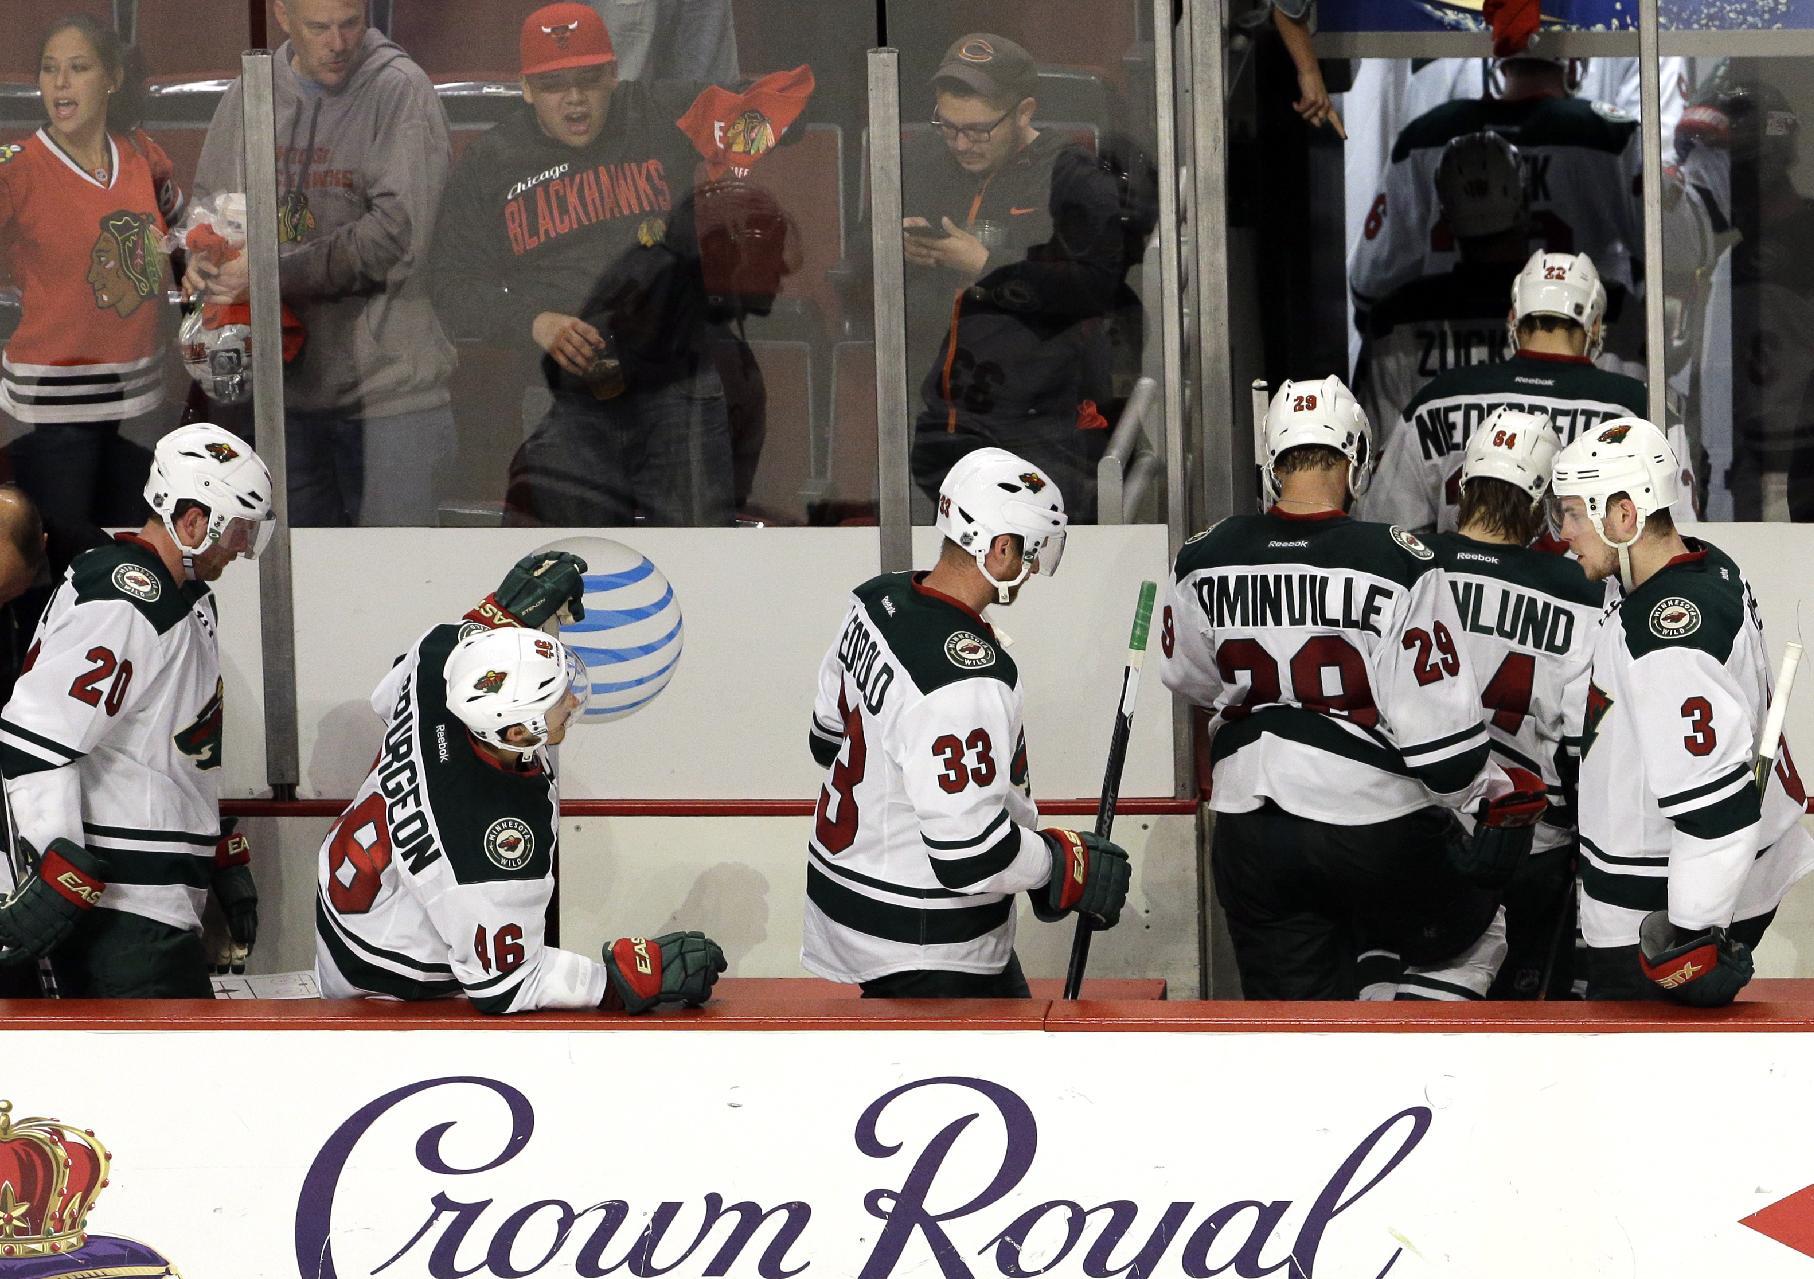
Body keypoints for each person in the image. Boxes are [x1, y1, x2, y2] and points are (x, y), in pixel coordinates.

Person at [1157, 376, 1547, 1001]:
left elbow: (1190, 678)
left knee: (1293, 1032)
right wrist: (1489, 801)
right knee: (1474, 927)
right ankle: (1412, 1065)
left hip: (1249, 833)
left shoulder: (1203, 555)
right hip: (1372, 830)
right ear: (1356, 460)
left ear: (1272, 460)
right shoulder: (1399, 557)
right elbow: (1445, 757)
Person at [428, 2, 813, 527]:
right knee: (575, 572)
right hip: (563, 398)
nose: (575, 100)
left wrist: (760, 123)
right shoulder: (490, 162)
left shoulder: (656, 110)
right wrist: (534, 321)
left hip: (678, 385)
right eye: (555, 85)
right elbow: (453, 283)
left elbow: (780, 113)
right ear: (526, 89)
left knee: (700, 562)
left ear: (613, 74)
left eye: (588, 80)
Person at [315, 561, 728, 1014]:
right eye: (557, 699)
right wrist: (619, 981)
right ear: (517, 733)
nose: (572, 700)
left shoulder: (437, 664)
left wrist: (498, 616)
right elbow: (505, 986)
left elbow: (404, 682)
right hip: (391, 983)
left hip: (358, 910)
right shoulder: (491, 837)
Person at [802, 447, 1130, 996]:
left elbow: (824, 739)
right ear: (1000, 549)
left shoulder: (877, 598)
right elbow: (970, 857)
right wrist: (1057, 863)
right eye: (1031, 552)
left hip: (847, 902)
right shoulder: (964, 681)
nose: (1031, 571)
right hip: (924, 941)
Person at [0, 423, 271, 997]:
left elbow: (167, 744)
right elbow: (33, 740)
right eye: (239, 530)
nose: (243, 548)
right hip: (124, 916)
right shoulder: (128, 603)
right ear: (194, 521)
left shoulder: (185, 600)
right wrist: (54, 863)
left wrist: (210, 843)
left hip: (159, 904)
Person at [1550, 418, 1814, 1004]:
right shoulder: (1701, 563)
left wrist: (1689, 936)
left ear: (1624, 516)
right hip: (1691, 882)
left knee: (1639, 1087)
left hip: (1654, 911)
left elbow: (1714, 811)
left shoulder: (1667, 634)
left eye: (1572, 513)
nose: (1562, 532)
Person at [187, 0, 456, 528]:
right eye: (319, 27)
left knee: (393, 581)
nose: (338, 42)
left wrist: (267, 274)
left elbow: (395, 240)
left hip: (390, 403)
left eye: (351, 23)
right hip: (281, 405)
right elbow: (211, 202)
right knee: (303, 595)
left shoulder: (400, 89)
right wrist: (204, 255)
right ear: (283, 18)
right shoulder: (252, 90)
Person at [899, 35, 1131, 525]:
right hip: (939, 419)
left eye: (978, 130)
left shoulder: (1075, 177)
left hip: (1044, 429)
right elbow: (850, 258)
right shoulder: (924, 164)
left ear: (1024, 112)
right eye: (949, 127)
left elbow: (1095, 290)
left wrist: (987, 264)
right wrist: (893, 247)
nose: (961, 144)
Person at [1427, 410, 1605, 998]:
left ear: (1464, 485)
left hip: (1420, 833)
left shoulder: (1408, 563)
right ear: (1540, 506)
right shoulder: (1581, 590)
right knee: (1529, 1039)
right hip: (1533, 844)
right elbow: (1586, 741)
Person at [1359, 250, 1694, 535]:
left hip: (1461, 603)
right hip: (1595, 606)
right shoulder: (1639, 408)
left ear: (1513, 318)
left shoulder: (1438, 399)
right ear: (1594, 326)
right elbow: (1678, 534)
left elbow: (1384, 532)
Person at [0, 15, 185, 529]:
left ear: (112, 78)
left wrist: (199, 266)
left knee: (132, 558)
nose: (60, 82)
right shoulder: (15, 169)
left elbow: (185, 234)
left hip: (139, 402)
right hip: (53, 412)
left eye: (78, 68)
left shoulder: (142, 154)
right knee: (65, 568)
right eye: (49, 69)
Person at [1348, 54, 1644, 366]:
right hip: (1570, 357)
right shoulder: (1610, 136)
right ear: (1571, 62)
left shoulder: (1425, 136)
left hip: (1449, 364)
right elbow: (1668, 262)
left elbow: (1369, 289)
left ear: (1499, 62)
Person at [1353, 131, 1531, 448]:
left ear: (1446, 216)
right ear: (1523, 204)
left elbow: (1373, 454)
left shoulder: (1395, 317)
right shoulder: (1568, 314)